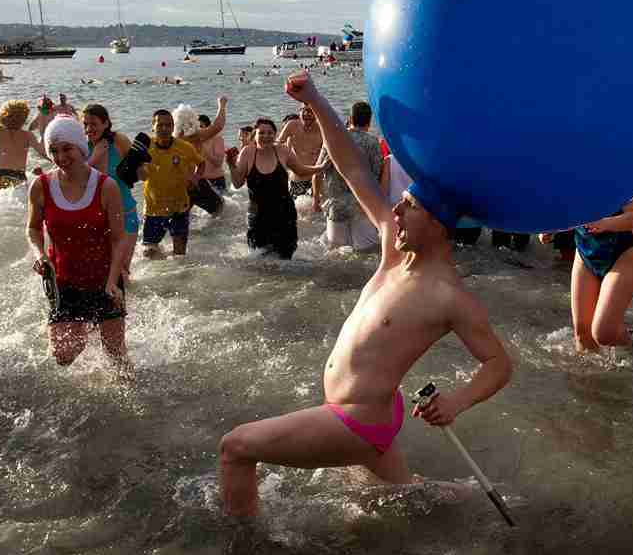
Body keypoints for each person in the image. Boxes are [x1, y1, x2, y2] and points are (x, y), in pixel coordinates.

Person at [219, 70, 512, 517]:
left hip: (358, 419)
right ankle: (477, 502)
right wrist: (315, 98)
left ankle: (243, 553)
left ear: (436, 224)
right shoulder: (395, 247)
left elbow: (499, 364)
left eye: (409, 206)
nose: (396, 209)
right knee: (403, 497)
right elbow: (352, 168)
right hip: (371, 409)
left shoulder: (449, 295)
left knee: (236, 447)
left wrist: (456, 401)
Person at [27, 117, 128, 367]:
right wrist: (39, 255)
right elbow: (32, 229)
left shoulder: (107, 187)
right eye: (54, 150)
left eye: (66, 148)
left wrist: (114, 281)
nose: (60, 157)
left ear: (81, 148)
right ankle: (82, 329)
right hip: (64, 281)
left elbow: (119, 239)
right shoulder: (40, 186)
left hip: (104, 279)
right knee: (63, 355)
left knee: (116, 358)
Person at [226, 117, 323, 259]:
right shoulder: (247, 152)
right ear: (255, 135)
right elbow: (237, 183)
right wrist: (231, 164)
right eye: (262, 133)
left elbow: (301, 171)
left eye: (270, 133)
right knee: (258, 259)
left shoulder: (282, 151)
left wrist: (321, 167)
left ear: (275, 135)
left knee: (285, 258)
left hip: (284, 214)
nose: (266, 136)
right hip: (258, 215)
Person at [570, 203, 633, 351]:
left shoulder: (612, 180)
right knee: (582, 334)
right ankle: (588, 374)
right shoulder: (564, 184)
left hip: (623, 254)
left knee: (604, 334)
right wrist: (549, 231)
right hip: (585, 255)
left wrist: (605, 223)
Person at [314, 101, 384, 252]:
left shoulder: (331, 140)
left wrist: (316, 200)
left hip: (336, 204)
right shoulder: (372, 142)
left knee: (335, 251)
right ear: (369, 121)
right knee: (367, 251)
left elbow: (318, 172)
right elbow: (377, 175)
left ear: (350, 118)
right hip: (363, 205)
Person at [83, 104, 141, 275]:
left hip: (126, 214)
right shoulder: (81, 147)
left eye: (93, 124)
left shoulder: (119, 141)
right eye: (85, 124)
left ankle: (128, 301)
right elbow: (74, 179)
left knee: (122, 271)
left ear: (106, 123)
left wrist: (142, 164)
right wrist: (93, 159)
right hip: (97, 219)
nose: (89, 129)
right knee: (101, 270)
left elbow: (140, 174)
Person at [140, 109, 206, 257]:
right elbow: (137, 175)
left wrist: (196, 177)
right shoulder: (144, 147)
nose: (164, 129)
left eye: (168, 125)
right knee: (149, 254)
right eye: (160, 125)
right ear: (153, 126)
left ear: (173, 127)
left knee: (179, 256)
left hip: (179, 208)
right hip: (153, 209)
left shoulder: (184, 147)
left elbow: (201, 163)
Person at [276, 104, 324, 198]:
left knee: (318, 210)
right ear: (299, 112)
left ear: (317, 113)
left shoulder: (322, 128)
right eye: (304, 110)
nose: (307, 114)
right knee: (295, 210)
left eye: (311, 111)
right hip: (297, 179)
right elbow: (278, 144)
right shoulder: (292, 125)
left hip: (317, 180)